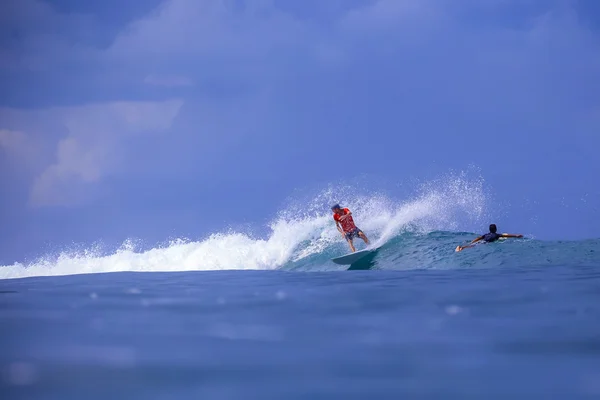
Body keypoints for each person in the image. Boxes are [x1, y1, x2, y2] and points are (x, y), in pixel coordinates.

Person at [455, 224, 523, 252]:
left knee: (473, 245)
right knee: (473, 246)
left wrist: (472, 241)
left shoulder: (486, 234)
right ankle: (461, 248)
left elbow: (479, 238)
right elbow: (506, 236)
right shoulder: (497, 235)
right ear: (495, 229)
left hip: (482, 241)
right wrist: (516, 236)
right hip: (485, 242)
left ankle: (462, 247)